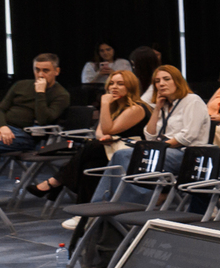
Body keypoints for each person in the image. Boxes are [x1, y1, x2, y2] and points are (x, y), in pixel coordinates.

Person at [89, 65, 210, 205]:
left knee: (125, 155)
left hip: (188, 154)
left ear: (178, 81)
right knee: (119, 155)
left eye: (166, 79)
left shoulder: (192, 100)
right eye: (157, 81)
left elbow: (187, 136)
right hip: (166, 151)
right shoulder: (165, 105)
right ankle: (99, 205)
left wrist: (157, 147)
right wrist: (157, 108)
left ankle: (128, 205)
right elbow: (150, 136)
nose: (161, 84)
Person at [31, 69, 146, 201]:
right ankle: (84, 208)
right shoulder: (114, 107)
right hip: (108, 151)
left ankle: (56, 182)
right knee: (89, 165)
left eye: (120, 84)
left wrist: (104, 104)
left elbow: (107, 130)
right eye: (111, 83)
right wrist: (106, 133)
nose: (114, 87)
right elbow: (99, 133)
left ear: (131, 87)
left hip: (130, 154)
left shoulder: (136, 108)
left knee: (92, 146)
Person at [0, 54, 70, 154]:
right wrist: (2, 126)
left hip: (26, 134)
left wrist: (40, 93)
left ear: (56, 71)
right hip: (3, 126)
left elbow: (43, 120)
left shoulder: (61, 95)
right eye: (37, 70)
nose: (40, 75)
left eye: (45, 71)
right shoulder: (21, 85)